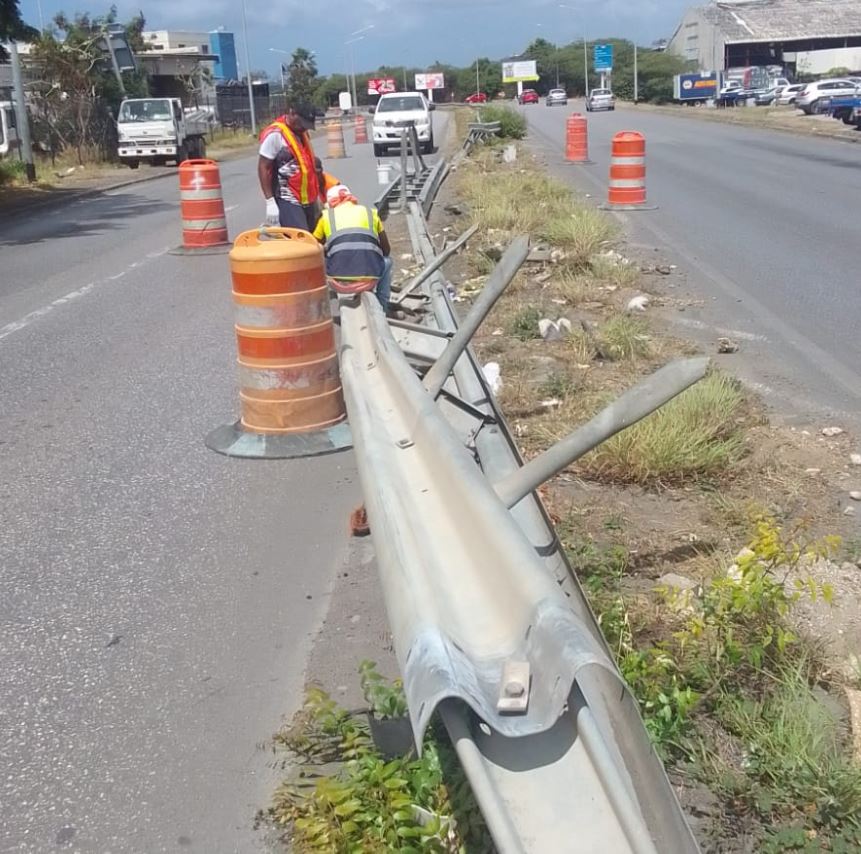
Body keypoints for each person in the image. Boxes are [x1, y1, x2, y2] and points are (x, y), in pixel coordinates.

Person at [312, 184, 393, 309]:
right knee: (388, 261)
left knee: (320, 258)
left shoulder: (327, 217)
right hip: (369, 282)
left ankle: (322, 305)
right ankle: (383, 306)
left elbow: (312, 247)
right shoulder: (371, 213)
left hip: (337, 283)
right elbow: (386, 250)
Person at [258, 101, 320, 231]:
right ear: (292, 113)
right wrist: (270, 202)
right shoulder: (276, 134)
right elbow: (263, 167)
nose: (304, 128)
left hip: (308, 197)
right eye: (302, 123)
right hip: (287, 198)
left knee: (315, 240)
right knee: (301, 241)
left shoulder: (301, 132)